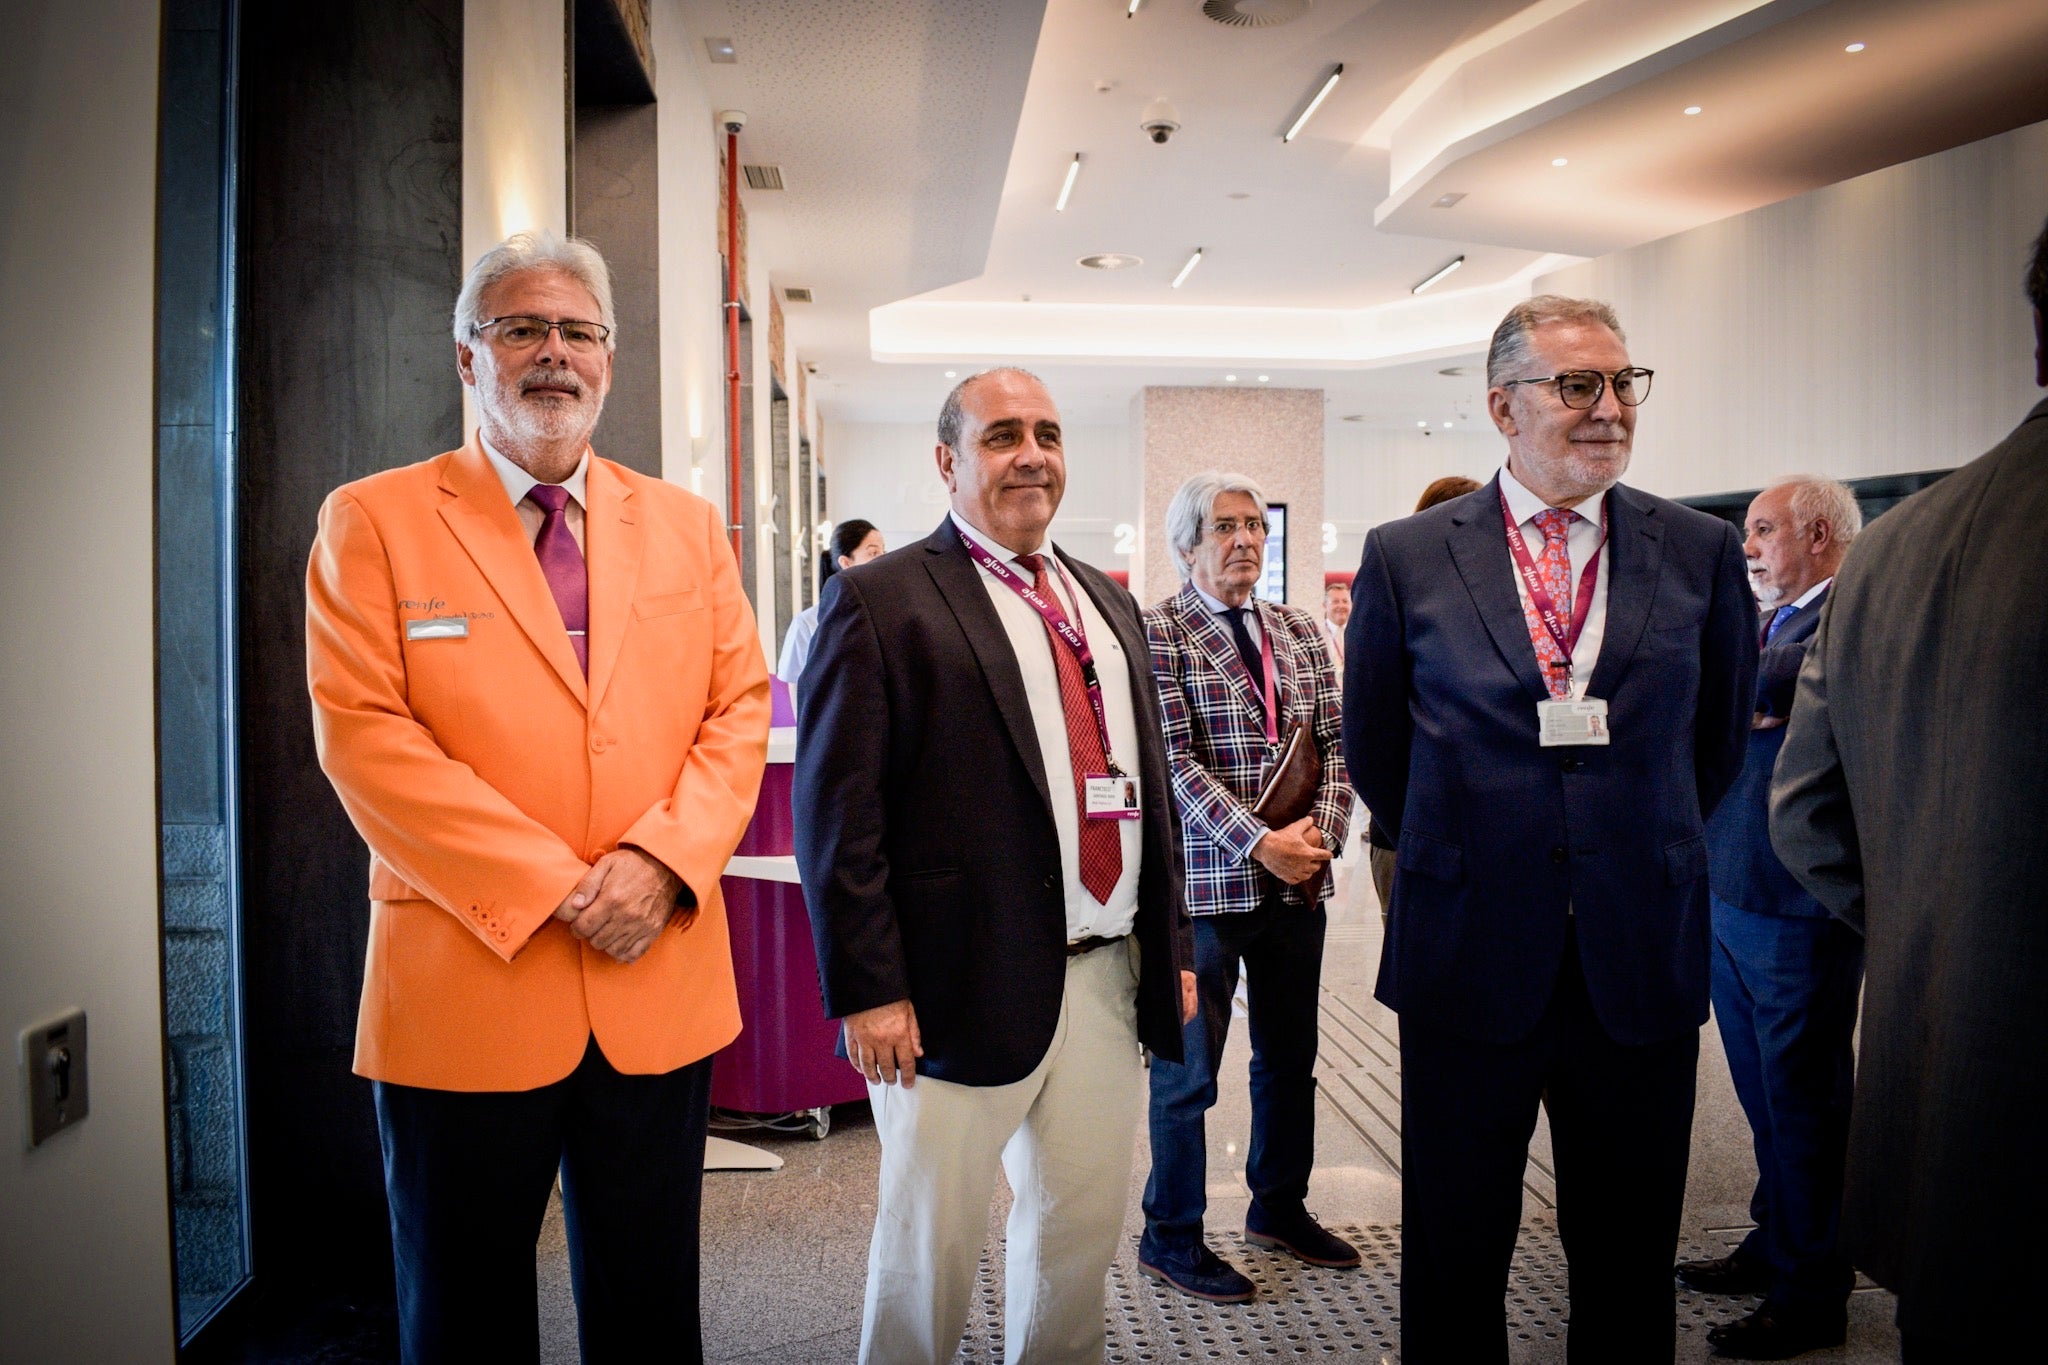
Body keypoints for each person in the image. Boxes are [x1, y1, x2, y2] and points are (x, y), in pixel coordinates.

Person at [305, 231, 770, 1363]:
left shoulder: (684, 527)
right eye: (520, 327)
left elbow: (737, 713)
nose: (552, 353)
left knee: (649, 1303)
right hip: (465, 977)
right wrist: (560, 887)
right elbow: (368, 741)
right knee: (461, 1314)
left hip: (648, 976)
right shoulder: (372, 520)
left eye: (577, 331)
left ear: (608, 360)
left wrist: (658, 866)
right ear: (468, 358)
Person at [1343, 295, 1756, 1363]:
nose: (1608, 408)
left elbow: (1708, 751)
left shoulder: (1699, 550)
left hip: (1637, 953)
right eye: (1577, 386)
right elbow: (1380, 752)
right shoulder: (1408, 556)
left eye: (1623, 383)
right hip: (1467, 951)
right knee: (1454, 1250)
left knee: (1625, 1258)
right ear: (1501, 406)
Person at [792, 368, 1196, 1365]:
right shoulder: (880, 601)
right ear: (946, 462)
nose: (1031, 454)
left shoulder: (1106, 601)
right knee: (929, 1252)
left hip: (1105, 980)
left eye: (1048, 434)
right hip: (946, 989)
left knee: (1075, 1242)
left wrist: (1170, 946)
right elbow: (838, 816)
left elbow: (1147, 786)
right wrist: (868, 989)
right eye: (1001, 435)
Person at [1770, 218, 2048, 1363]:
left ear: (2034, 340)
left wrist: (1939, 930)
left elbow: (1803, 815)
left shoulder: (1893, 549)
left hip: (1937, 1108)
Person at [1137, 473, 1354, 1303]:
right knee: (1188, 1073)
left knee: (1290, 1057)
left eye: (1256, 527)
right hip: (1211, 886)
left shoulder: (1299, 629)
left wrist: (1321, 836)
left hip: (1299, 883)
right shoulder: (1160, 632)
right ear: (1187, 542)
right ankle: (1172, 1232)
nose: (1246, 541)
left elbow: (1337, 744)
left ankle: (1279, 1206)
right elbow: (1173, 761)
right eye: (1225, 527)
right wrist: (1260, 839)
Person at [1681, 476, 1863, 1361]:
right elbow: (1728, 698)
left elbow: (1754, 692)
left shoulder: (1850, 614)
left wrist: (1746, 693)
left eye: (1761, 531)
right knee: (1761, 1095)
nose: (1746, 548)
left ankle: (1812, 1287)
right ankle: (1775, 1236)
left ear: (1818, 531)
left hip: (1796, 906)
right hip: (1730, 887)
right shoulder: (1771, 620)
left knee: (1802, 1101)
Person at [1364, 474, 1483, 918]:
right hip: (1410, 831)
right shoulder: (1402, 591)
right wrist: (1413, 829)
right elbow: (1369, 733)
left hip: (1486, 834)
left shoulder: (1496, 605)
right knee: (1418, 970)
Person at [777, 518, 885, 712]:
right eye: (873, 552)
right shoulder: (807, 623)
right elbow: (796, 684)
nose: (883, 559)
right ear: (846, 562)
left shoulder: (888, 614)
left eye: (884, 552)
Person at [1320, 578, 1351, 667]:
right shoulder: (1317, 635)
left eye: (1345, 601)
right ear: (1325, 605)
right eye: (1335, 601)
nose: (1341, 606)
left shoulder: (1360, 634)